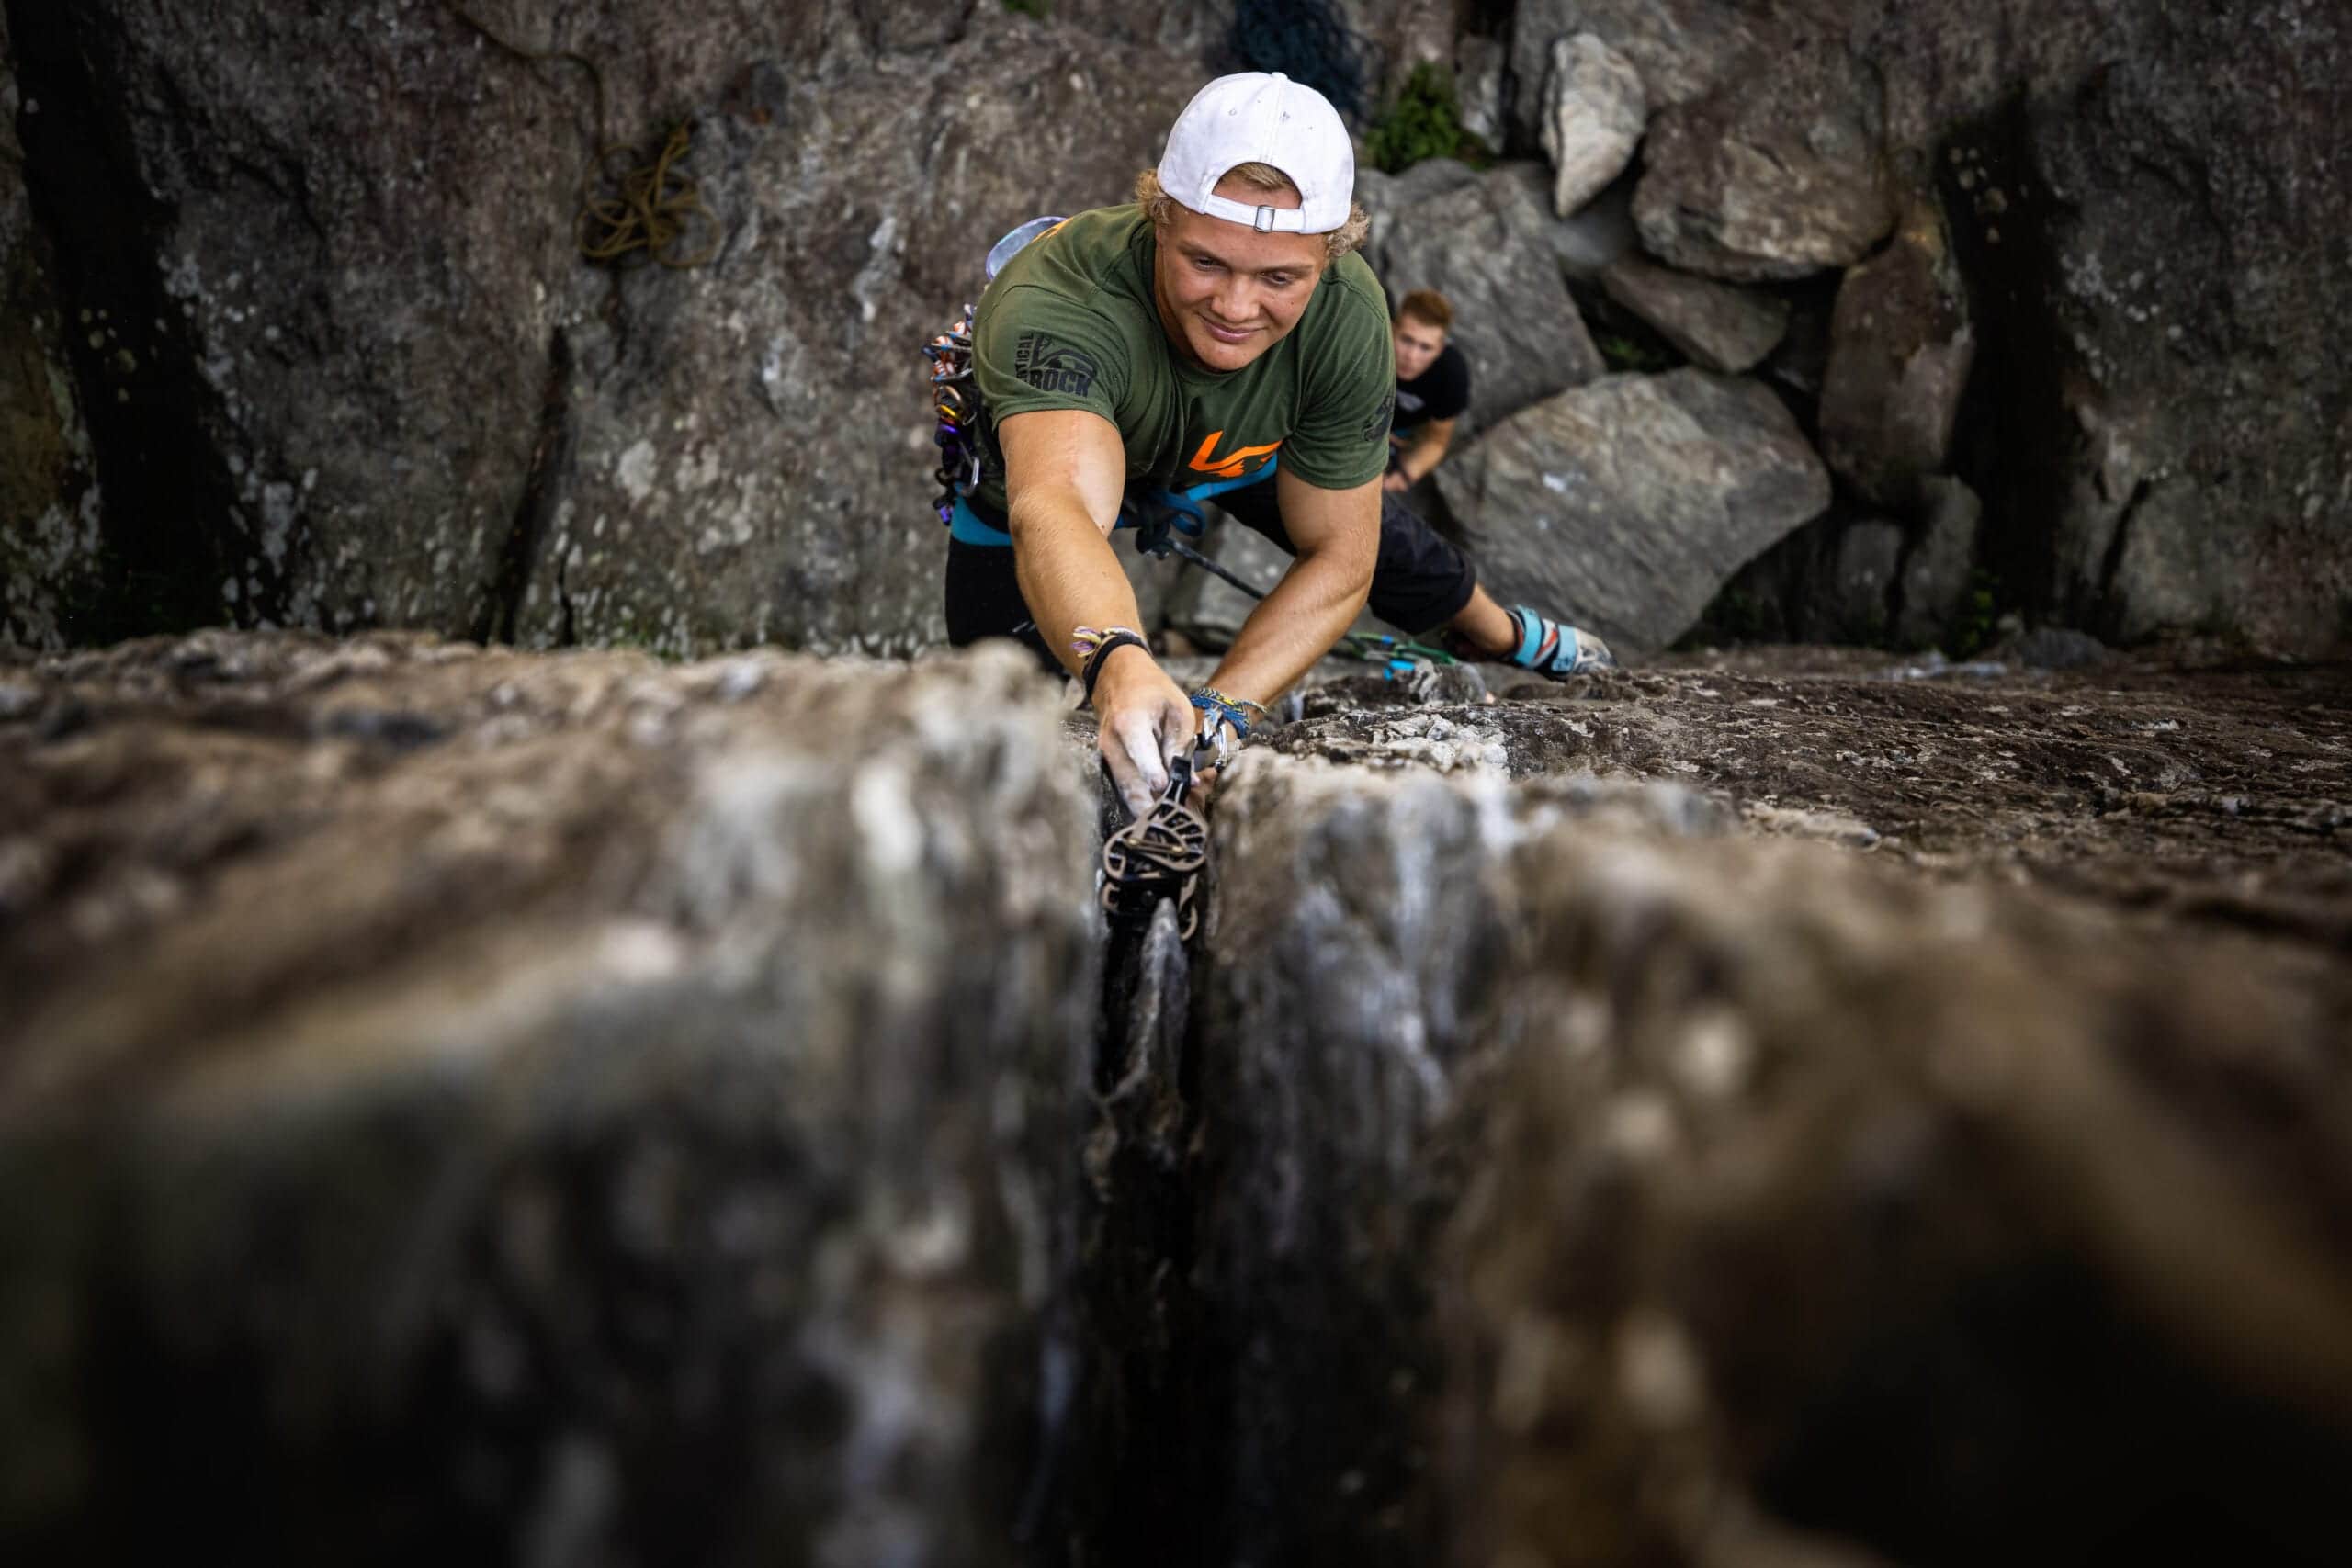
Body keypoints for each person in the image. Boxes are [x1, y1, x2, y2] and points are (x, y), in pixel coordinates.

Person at [942, 72, 1614, 820]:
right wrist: (1118, 662)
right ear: (1158, 217)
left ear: (1330, 256)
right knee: (1001, 703)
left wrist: (1222, 713)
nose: (1235, 308)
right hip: (1042, 477)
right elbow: (1058, 503)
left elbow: (1341, 556)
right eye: (1205, 262)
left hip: (1238, 449)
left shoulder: (1346, 314)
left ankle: (1497, 630)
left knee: (1387, 542)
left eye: (1280, 278)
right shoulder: (1062, 299)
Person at [1384, 288, 1469, 494]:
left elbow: (1436, 440)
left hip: (1400, 435)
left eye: (1425, 348)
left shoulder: (1451, 375)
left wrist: (1405, 475)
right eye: (1407, 340)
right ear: (1393, 331)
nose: (1412, 357)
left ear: (1440, 349)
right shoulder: (1368, 345)